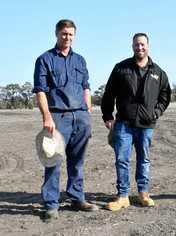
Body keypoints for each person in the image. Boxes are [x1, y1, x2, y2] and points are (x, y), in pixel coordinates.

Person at [33, 19, 98, 220]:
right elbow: (41, 91)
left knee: (77, 161)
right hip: (58, 117)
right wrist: (47, 117)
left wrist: (87, 109)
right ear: (56, 34)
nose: (67, 37)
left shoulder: (80, 60)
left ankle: (76, 197)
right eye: (64, 34)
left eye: (70, 34)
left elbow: (86, 85)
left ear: (74, 36)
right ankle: (51, 204)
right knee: (53, 160)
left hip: (80, 116)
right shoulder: (45, 59)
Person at [101, 33, 171, 211]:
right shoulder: (121, 68)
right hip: (124, 123)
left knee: (144, 160)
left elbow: (165, 96)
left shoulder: (158, 72)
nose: (140, 48)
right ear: (132, 46)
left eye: (143, 45)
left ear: (148, 46)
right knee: (122, 160)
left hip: (146, 125)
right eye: (136, 45)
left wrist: (156, 112)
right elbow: (109, 93)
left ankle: (143, 193)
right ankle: (123, 196)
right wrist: (108, 115)